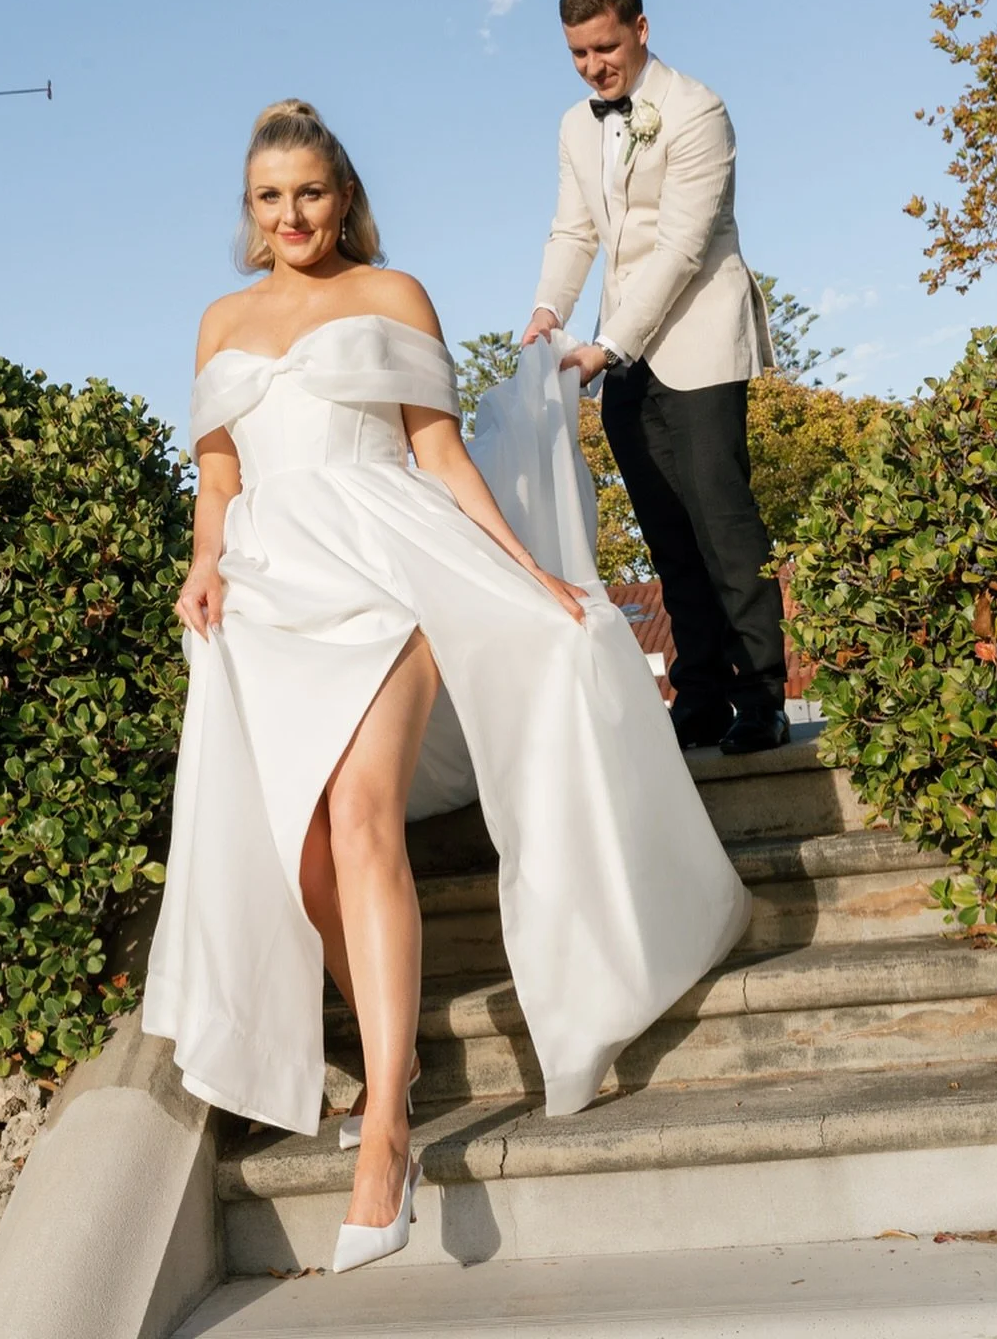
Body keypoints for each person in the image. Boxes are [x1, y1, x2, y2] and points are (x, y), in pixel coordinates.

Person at [142, 99, 751, 1275]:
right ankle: (396, 1046)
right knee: (305, 846)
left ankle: (385, 1129)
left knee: (363, 817)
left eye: (309, 192)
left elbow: (437, 452)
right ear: (249, 211)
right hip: (265, 588)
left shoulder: (394, 294)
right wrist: (202, 564)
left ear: (343, 193)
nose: (291, 216)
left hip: (389, 560)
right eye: (269, 198)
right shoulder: (220, 318)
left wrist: (531, 573)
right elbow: (217, 476)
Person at [522, 0, 790, 755]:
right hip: (621, 353)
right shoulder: (576, 126)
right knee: (666, 536)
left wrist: (606, 347)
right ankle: (699, 693)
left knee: (723, 525)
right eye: (578, 54)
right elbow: (573, 231)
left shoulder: (698, 111)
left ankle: (763, 695)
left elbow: (680, 249)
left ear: (641, 29)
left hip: (699, 344)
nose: (594, 66)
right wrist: (548, 314)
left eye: (605, 47)